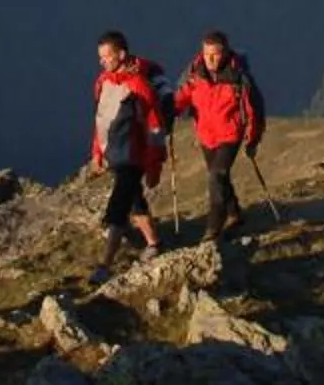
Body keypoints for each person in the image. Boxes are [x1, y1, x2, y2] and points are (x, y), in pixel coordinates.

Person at [172, 29, 267, 241]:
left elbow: (254, 111)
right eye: (207, 55)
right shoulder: (196, 74)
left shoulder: (238, 79)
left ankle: (213, 228)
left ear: (225, 53)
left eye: (215, 54)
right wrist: (169, 110)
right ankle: (235, 214)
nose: (211, 60)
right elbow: (183, 97)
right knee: (221, 178)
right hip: (206, 135)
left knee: (216, 176)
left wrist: (252, 139)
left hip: (230, 135)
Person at [89, 30, 168, 283]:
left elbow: (155, 126)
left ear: (121, 55)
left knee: (118, 207)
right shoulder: (103, 82)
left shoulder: (138, 86)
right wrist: (97, 154)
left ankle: (104, 265)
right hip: (114, 154)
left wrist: (154, 165)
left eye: (107, 56)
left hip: (133, 157)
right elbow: (101, 121)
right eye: (100, 57)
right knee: (134, 200)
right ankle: (154, 243)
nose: (103, 61)